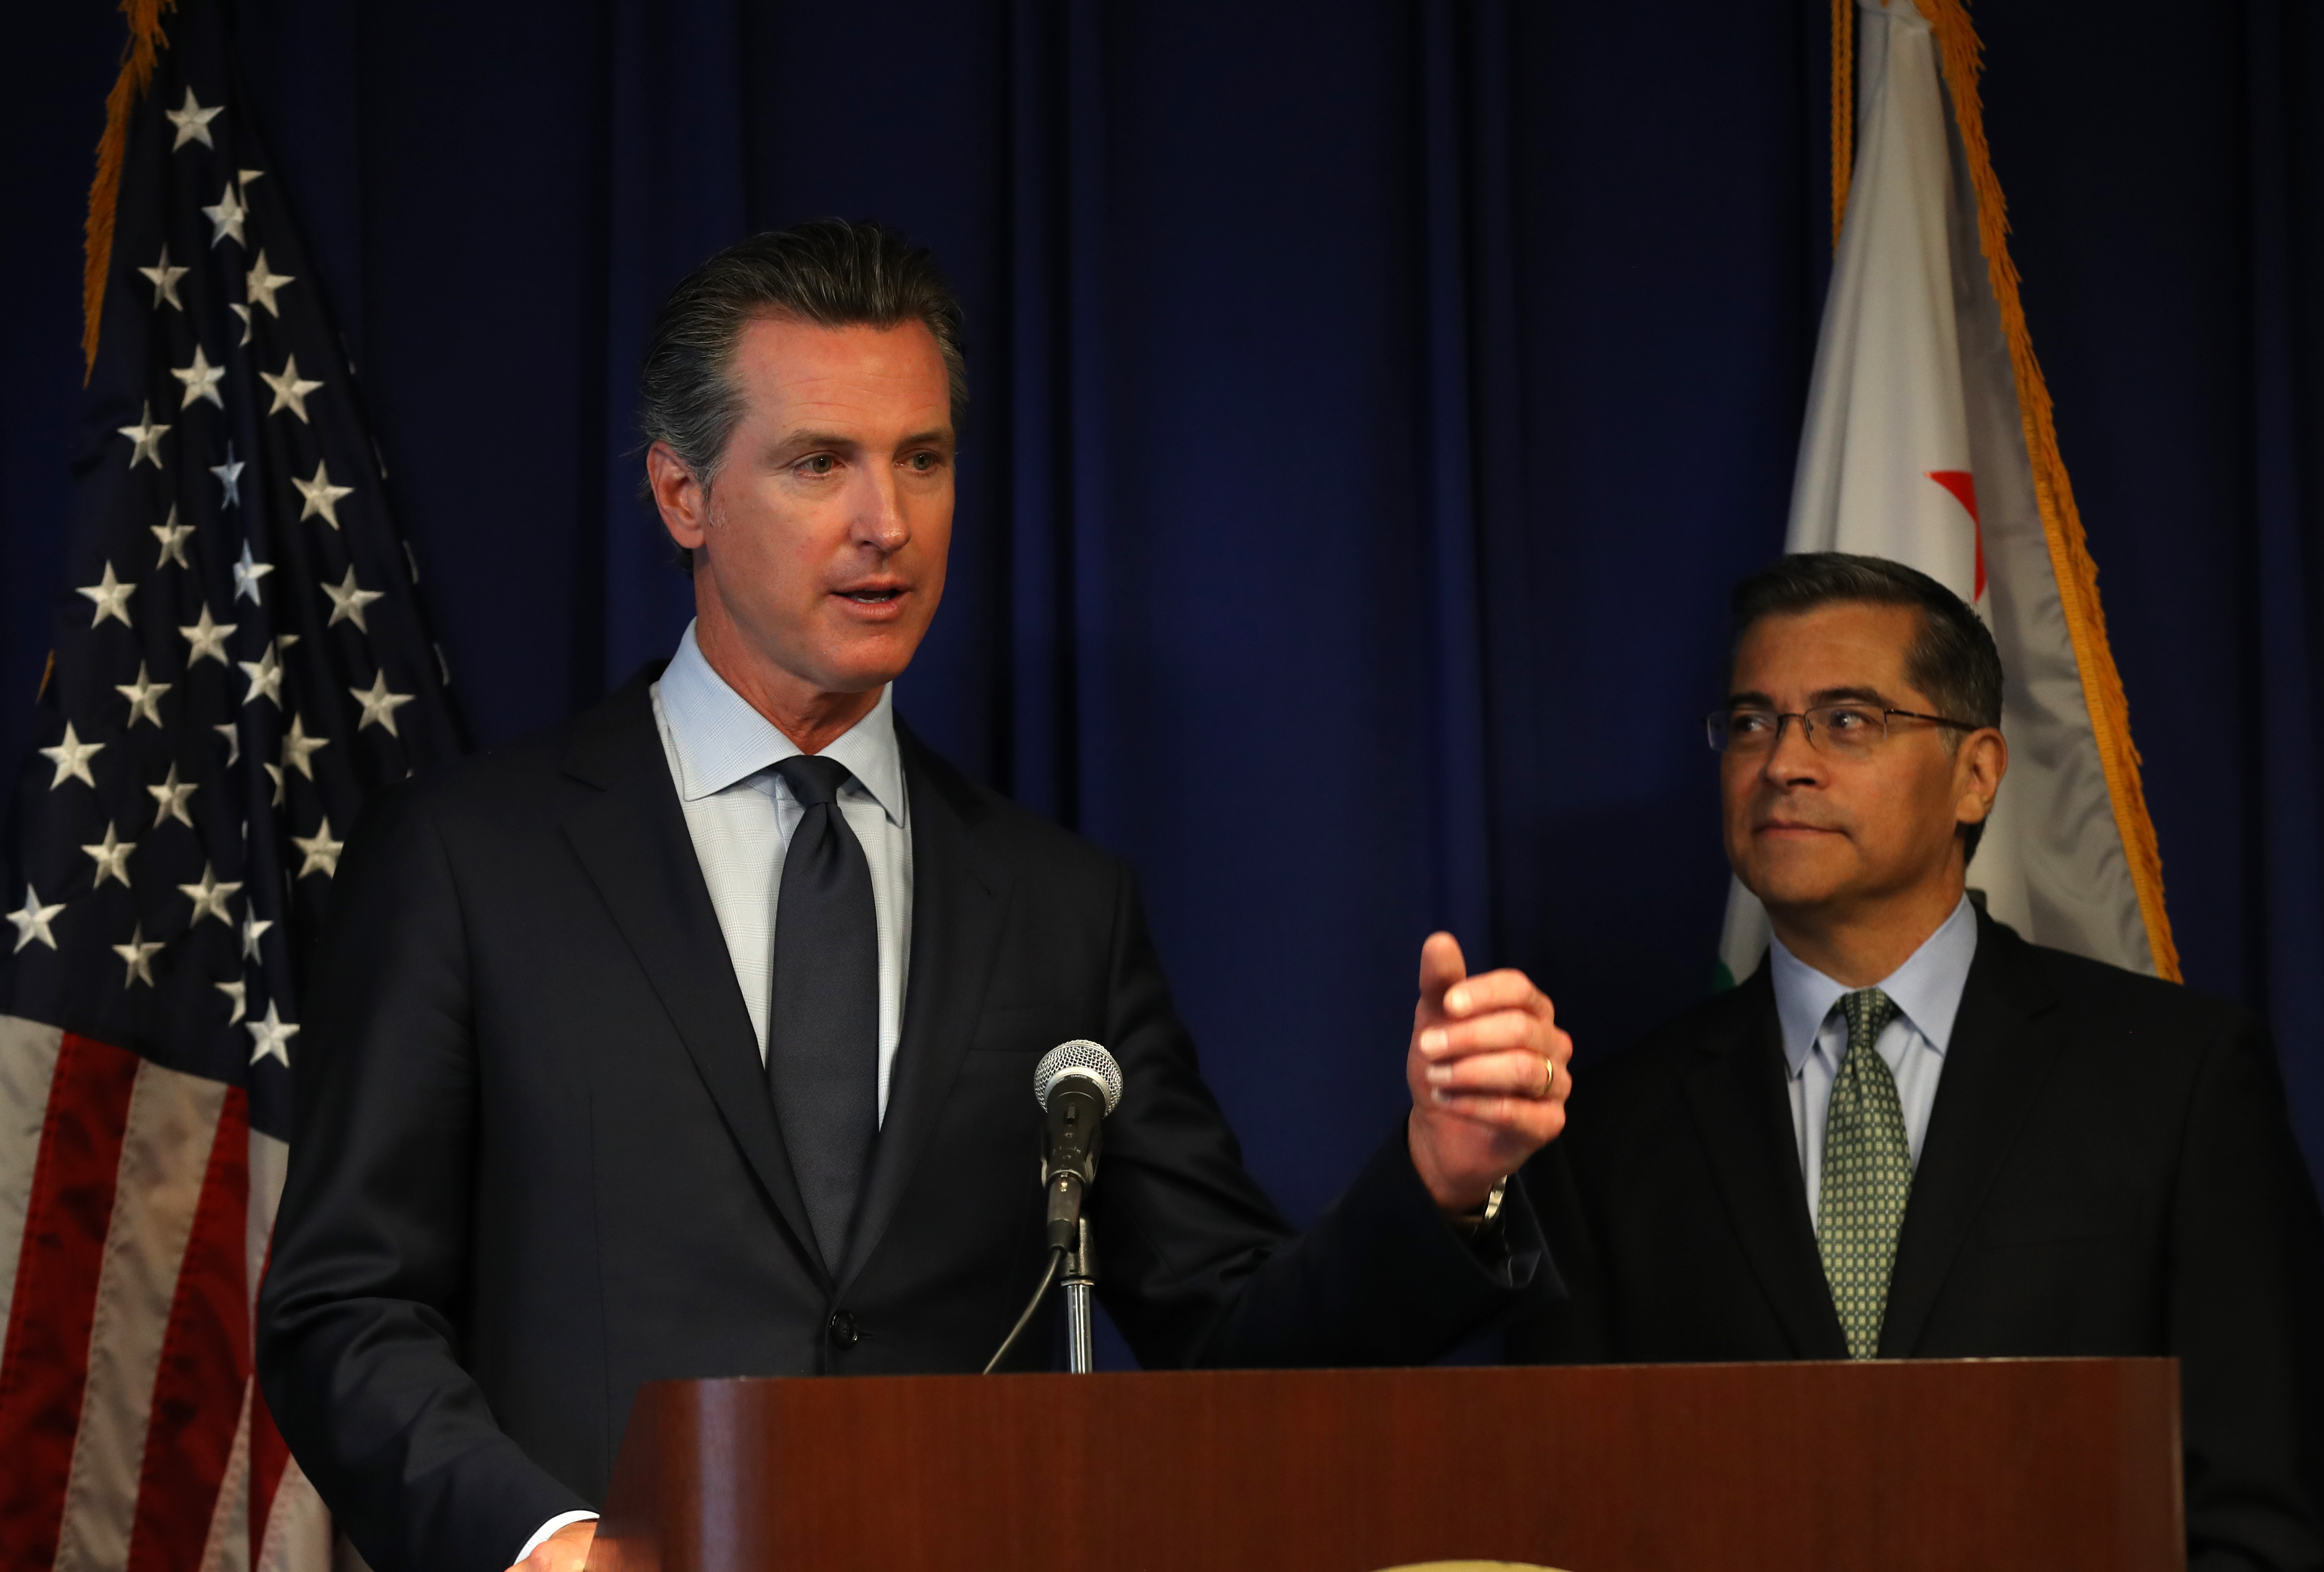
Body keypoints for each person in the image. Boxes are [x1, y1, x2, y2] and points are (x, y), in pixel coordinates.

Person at [256, 220, 1574, 1572]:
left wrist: (1437, 1180)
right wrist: (548, 1547)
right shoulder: (473, 860)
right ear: (680, 494)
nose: (885, 523)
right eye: (818, 462)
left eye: (922, 460)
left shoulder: (1060, 906)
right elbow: (342, 1308)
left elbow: (1227, 1343)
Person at [1511, 552, 2324, 1570]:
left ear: (1977, 773)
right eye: (1753, 721)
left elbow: (2254, 1517)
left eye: (1847, 720)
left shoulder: (2180, 1080)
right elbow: (1565, 1515)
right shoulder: (1611, 1128)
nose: (1784, 763)